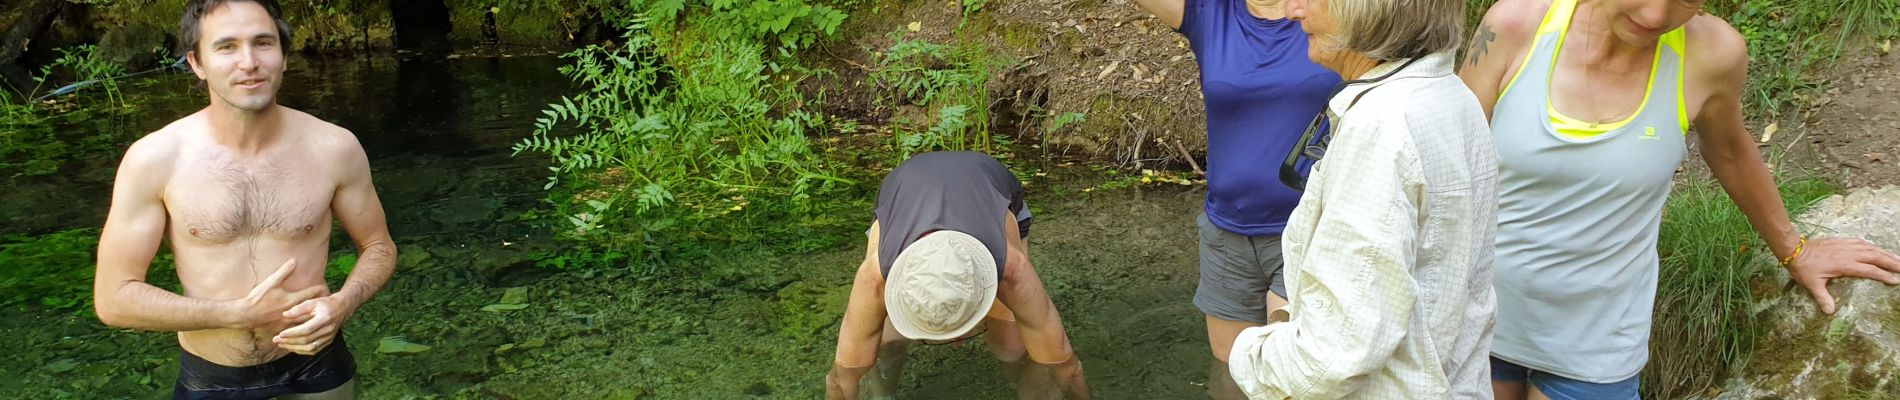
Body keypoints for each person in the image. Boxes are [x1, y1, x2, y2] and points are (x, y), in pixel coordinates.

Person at [1458, 0, 1900, 398]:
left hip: (1597, 339)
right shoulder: (1516, 25)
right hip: (1478, 317)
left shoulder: (1712, 55)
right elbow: (1445, 162)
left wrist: (1795, 249)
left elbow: (1729, 148)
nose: (1655, 16)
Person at [91, 1, 398, 399]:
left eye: (263, 43)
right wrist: (236, 314)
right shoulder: (156, 160)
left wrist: (342, 304)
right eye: (227, 47)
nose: (249, 62)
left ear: (284, 57)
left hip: (319, 366)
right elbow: (113, 299)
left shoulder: (334, 148)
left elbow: (378, 247)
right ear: (197, 63)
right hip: (213, 377)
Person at [1224, 0, 1499, 397]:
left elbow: (1335, 356)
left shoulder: (1380, 126)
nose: (1291, 11)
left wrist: (1246, 352)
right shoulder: (1450, 94)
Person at [1126, 0, 1340, 396]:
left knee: (1288, 379)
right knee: (1229, 379)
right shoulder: (1210, 12)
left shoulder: (1328, 12)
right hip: (1226, 233)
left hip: (1307, 231)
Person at [824, 151, 1090, 399]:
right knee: (887, 344)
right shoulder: (876, 276)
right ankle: (883, 395)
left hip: (989, 186)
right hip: (903, 192)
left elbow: (1065, 366)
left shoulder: (1010, 267)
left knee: (1013, 347)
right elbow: (841, 378)